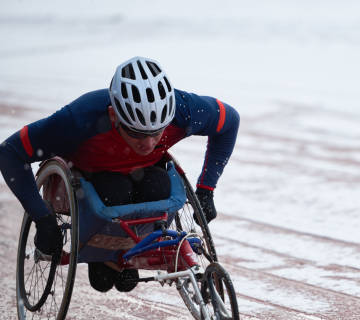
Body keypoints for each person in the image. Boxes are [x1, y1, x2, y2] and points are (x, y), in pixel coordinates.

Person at [0, 56, 239, 293]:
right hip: (96, 182)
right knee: (114, 194)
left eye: (156, 132)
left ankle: (125, 251)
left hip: (147, 175)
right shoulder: (78, 120)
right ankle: (105, 258)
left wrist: (207, 189)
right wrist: (43, 218)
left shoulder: (184, 110)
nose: (148, 143)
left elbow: (229, 122)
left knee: (159, 186)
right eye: (136, 133)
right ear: (114, 116)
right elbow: (9, 153)